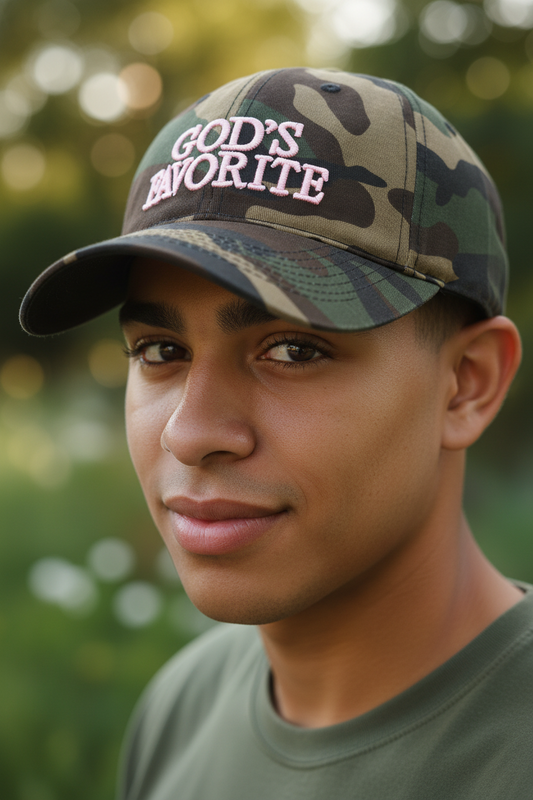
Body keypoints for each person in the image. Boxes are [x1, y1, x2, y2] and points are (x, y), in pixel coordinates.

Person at [20, 68, 532, 799]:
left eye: (293, 350)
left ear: (466, 383)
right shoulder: (181, 708)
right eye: (160, 351)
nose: (190, 434)